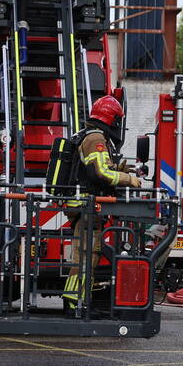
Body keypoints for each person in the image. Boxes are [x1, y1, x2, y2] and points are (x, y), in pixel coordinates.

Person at [62, 95, 142, 315]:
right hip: (87, 205)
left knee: (90, 254)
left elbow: (101, 166)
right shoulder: (96, 137)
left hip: (87, 205)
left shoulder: (90, 135)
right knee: (86, 255)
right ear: (111, 118)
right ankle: (74, 305)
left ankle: (78, 302)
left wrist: (122, 169)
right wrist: (129, 180)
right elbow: (100, 172)